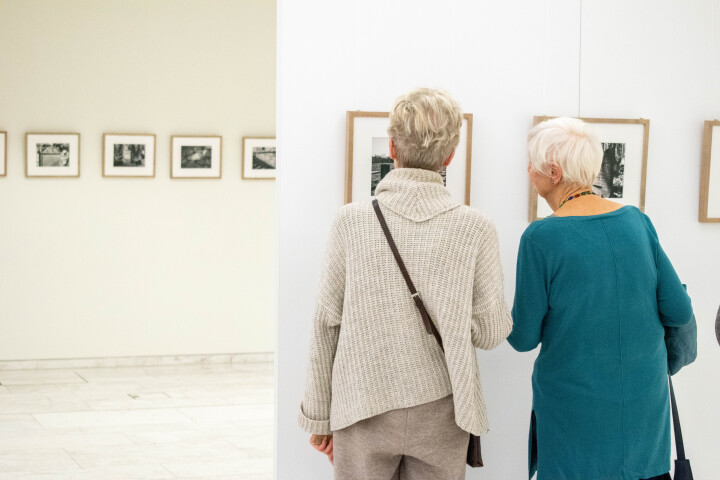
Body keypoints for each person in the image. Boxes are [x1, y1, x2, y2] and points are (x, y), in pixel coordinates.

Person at [298, 88, 513, 479]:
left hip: (360, 406)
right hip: (444, 412)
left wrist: (318, 416)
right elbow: (492, 332)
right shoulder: (475, 227)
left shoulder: (351, 221)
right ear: (449, 156)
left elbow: (325, 323)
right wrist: (451, 313)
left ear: (392, 146)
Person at [509, 117, 694, 480]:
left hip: (575, 425)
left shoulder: (540, 238)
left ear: (553, 171)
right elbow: (680, 309)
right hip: (643, 424)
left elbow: (523, 338)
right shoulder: (637, 222)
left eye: (532, 164)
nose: (528, 171)